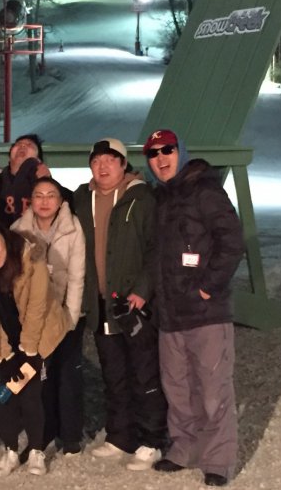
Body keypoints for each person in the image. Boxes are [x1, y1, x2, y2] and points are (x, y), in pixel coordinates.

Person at [142, 129, 244, 487]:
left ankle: (218, 459)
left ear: (180, 152)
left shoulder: (205, 191)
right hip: (170, 315)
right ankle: (184, 448)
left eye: (167, 150)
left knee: (213, 388)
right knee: (178, 388)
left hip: (205, 313)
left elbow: (232, 241)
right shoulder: (160, 198)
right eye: (153, 153)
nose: (161, 158)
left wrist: (207, 288)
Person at [74, 138, 168, 470]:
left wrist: (143, 289)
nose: (103, 167)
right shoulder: (81, 199)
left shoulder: (141, 199)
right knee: (114, 374)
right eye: (96, 161)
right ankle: (120, 436)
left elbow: (157, 248)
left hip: (133, 303)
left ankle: (152, 440)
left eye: (110, 160)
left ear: (123, 165)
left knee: (144, 373)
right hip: (100, 303)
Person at [0, 217, 69, 477]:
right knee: (5, 396)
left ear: (4, 238)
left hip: (39, 337)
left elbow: (37, 308)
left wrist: (29, 353)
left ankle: (36, 450)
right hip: (8, 342)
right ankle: (11, 450)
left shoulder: (31, 259)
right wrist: (4, 353)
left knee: (31, 395)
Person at [11, 177, 86, 457]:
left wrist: (71, 318)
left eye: (51, 195)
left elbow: (77, 276)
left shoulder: (73, 227)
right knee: (38, 377)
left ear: (60, 200)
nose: (44, 201)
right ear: (30, 200)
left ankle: (71, 435)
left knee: (67, 376)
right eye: (38, 195)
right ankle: (41, 433)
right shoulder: (18, 230)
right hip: (32, 315)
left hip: (64, 313)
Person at [0, 134, 50, 226]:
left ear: (38, 160)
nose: (22, 146)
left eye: (29, 145)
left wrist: (48, 181)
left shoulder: (50, 186)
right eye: (18, 144)